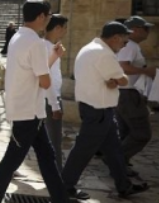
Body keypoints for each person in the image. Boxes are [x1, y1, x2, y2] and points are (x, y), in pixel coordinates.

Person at [0, 0, 69, 203]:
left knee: (47, 157)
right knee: (11, 161)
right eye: (48, 15)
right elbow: (44, 81)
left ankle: (61, 198)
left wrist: (53, 58)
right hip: (28, 112)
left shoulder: (18, 37)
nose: (49, 19)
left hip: (28, 109)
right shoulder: (35, 43)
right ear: (41, 16)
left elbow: (35, 72)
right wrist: (52, 63)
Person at [61, 22, 150, 200]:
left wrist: (115, 80)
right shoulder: (104, 54)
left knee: (114, 150)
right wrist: (118, 80)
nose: (124, 46)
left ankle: (124, 186)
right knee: (83, 150)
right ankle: (65, 186)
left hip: (96, 108)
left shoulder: (88, 48)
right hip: (98, 110)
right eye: (124, 42)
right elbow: (124, 80)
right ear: (115, 38)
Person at [116, 15, 156, 172]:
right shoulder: (130, 46)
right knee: (141, 133)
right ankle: (117, 160)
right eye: (146, 29)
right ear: (136, 30)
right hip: (128, 94)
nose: (148, 32)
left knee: (125, 131)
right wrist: (146, 71)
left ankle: (119, 163)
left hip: (125, 93)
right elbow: (123, 67)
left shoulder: (129, 45)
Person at [43, 14, 69, 171]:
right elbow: (47, 77)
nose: (65, 31)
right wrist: (55, 105)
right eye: (64, 28)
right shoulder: (46, 47)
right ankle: (57, 173)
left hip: (47, 97)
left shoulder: (49, 46)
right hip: (49, 98)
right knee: (54, 139)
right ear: (57, 28)